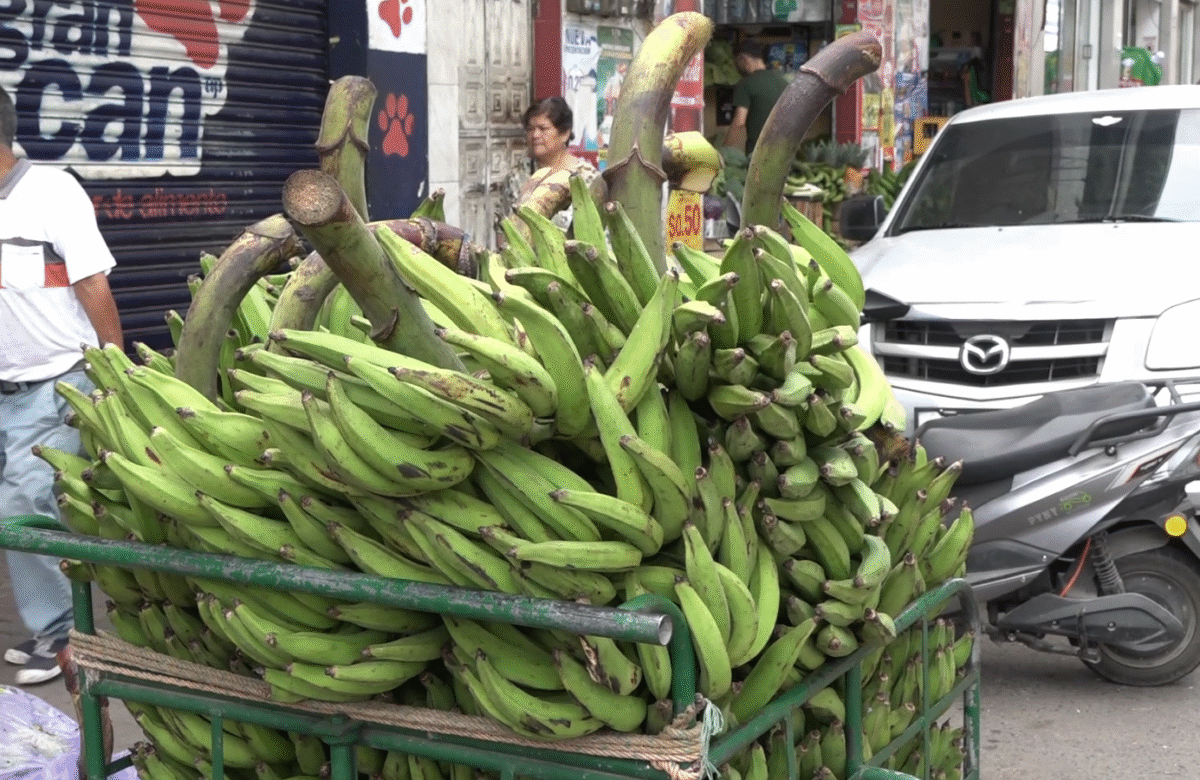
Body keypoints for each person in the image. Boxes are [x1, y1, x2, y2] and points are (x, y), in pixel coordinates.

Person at [0, 84, 123, 685]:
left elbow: (92, 283)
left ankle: (60, 638)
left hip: (52, 384)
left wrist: (115, 370)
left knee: (22, 507)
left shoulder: (52, 192)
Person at [516, 97, 599, 230]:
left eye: (543, 128)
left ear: (565, 134)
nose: (535, 135)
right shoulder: (519, 175)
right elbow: (504, 228)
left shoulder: (585, 177)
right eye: (530, 129)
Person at [723, 40, 789, 155]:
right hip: (784, 152)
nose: (737, 67)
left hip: (758, 154)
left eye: (737, 62)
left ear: (744, 60)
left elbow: (739, 122)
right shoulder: (783, 81)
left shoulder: (745, 84)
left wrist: (724, 149)